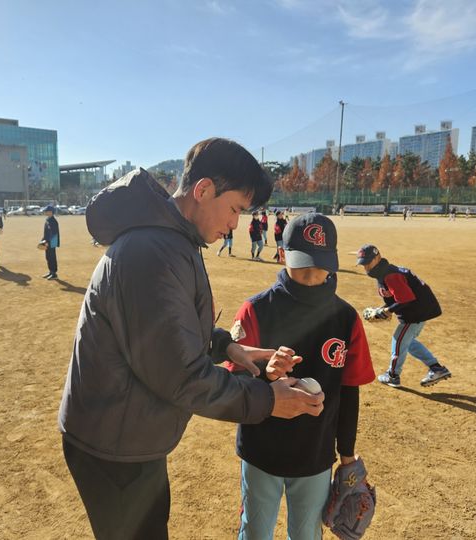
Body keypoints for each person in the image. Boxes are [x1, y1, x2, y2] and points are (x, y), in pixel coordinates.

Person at [58, 138, 325, 540]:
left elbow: (169, 328)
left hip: (126, 431)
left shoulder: (172, 240)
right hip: (112, 444)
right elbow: (181, 375)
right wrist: (269, 400)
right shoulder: (152, 251)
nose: (236, 223)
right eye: (235, 208)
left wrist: (226, 345)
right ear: (202, 190)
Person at [227, 213, 375, 539]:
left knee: (307, 535)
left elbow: (349, 392)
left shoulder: (346, 318)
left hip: (315, 454)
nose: (311, 275)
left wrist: (347, 455)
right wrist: (264, 376)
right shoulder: (255, 309)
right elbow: (233, 385)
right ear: (282, 254)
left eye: (320, 266)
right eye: (302, 264)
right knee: (255, 532)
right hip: (260, 450)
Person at [356, 244, 451, 388]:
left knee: (398, 341)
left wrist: (387, 311)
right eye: (363, 264)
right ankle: (436, 368)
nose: (366, 267)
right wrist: (383, 309)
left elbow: (406, 298)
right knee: (409, 343)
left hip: (416, 312)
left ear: (378, 258)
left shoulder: (391, 275)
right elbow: (395, 298)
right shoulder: (383, 273)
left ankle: (393, 375)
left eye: (368, 263)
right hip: (415, 310)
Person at [41, 205, 60, 279]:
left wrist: (49, 242)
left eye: (47, 211)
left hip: (52, 242)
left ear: (51, 212)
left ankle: (54, 273)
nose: (45, 212)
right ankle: (50, 271)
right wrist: (43, 239)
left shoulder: (53, 221)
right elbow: (46, 232)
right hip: (47, 241)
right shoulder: (48, 220)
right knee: (48, 257)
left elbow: (54, 233)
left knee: (52, 257)